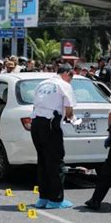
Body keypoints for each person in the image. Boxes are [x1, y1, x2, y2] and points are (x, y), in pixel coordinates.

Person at [30, 63, 76, 209]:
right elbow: (69, 110)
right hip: (50, 125)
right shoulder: (64, 85)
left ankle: (42, 198)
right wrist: (73, 119)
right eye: (71, 77)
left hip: (36, 124)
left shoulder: (42, 83)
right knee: (56, 162)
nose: (70, 81)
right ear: (67, 73)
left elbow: (35, 105)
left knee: (43, 161)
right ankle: (55, 200)